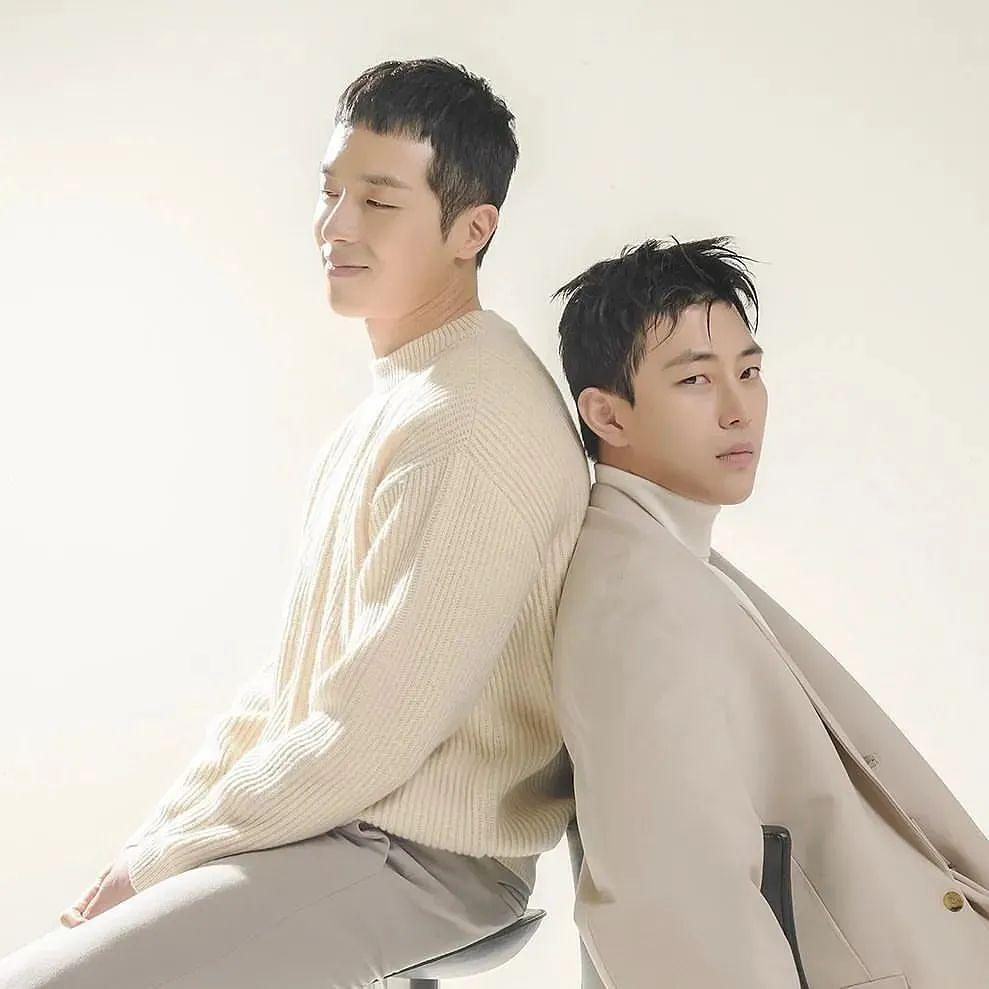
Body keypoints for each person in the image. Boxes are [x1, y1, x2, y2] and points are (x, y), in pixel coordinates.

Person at [0, 57, 590, 988]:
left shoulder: (467, 420)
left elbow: (369, 734)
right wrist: (157, 842)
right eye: (329, 192)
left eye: (378, 201)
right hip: (338, 828)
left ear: (471, 230)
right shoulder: (401, 402)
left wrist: (159, 864)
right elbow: (283, 695)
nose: (335, 226)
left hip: (417, 859)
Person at [550, 236, 989, 988]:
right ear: (606, 415)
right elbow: (677, 907)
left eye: (749, 372)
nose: (737, 410)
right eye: (695, 379)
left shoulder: (675, 561)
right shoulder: (637, 603)